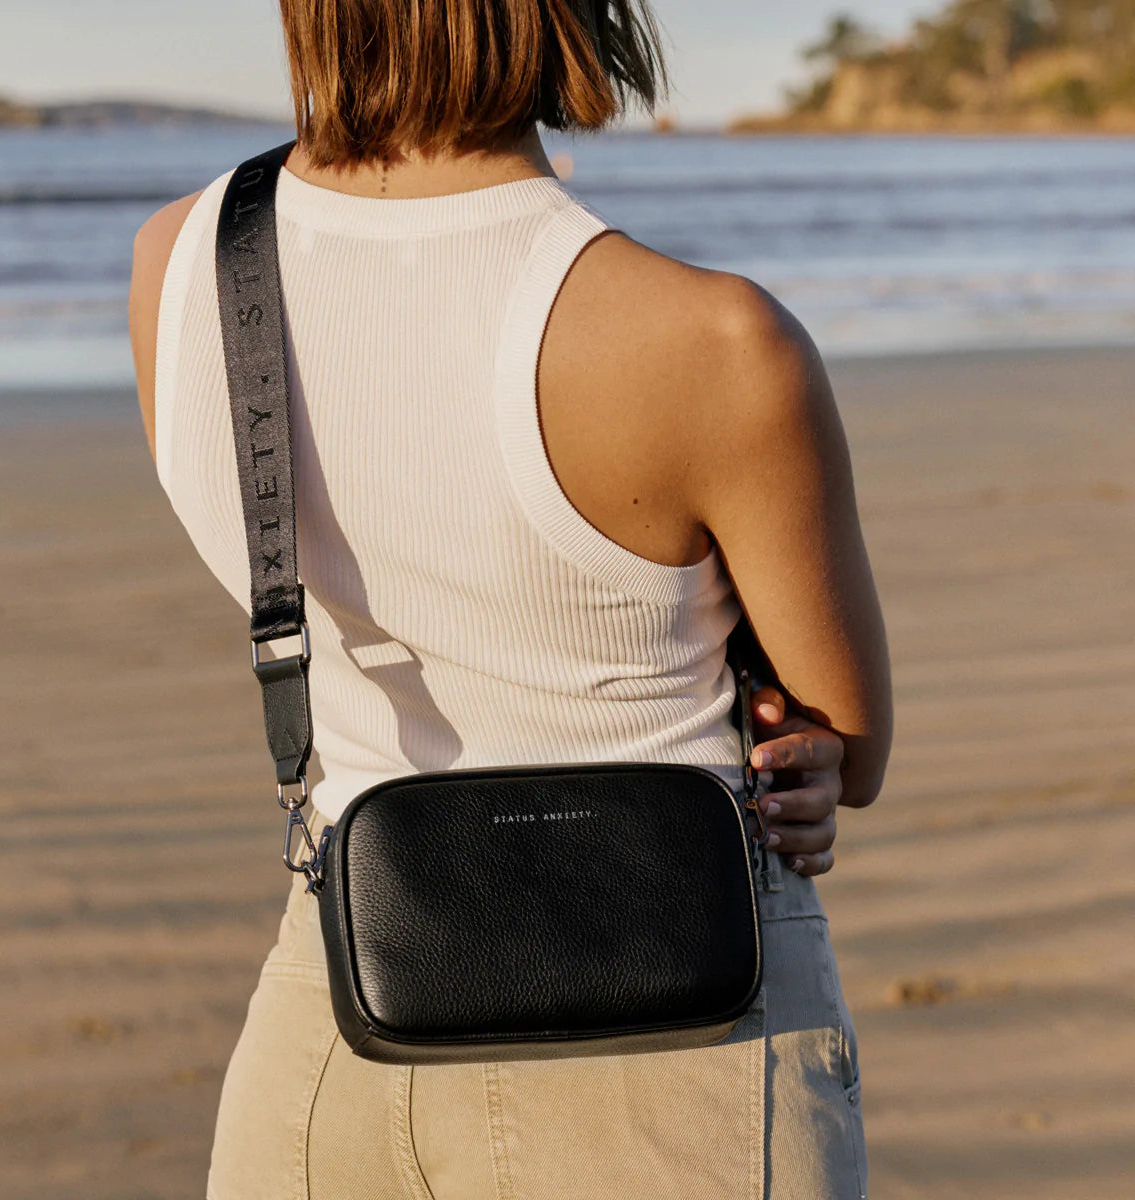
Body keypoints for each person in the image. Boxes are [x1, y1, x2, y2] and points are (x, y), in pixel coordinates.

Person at [127, 2, 892, 1196]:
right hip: (672, 1035)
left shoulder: (182, 265)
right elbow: (850, 742)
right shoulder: (713, 340)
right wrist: (806, 750)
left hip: (335, 1024)